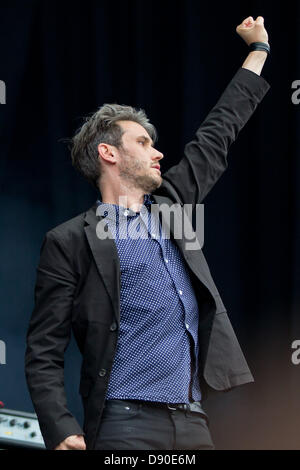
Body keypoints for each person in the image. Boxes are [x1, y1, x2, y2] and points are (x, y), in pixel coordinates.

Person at [25, 16, 270, 450]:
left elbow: (218, 133)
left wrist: (258, 51)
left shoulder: (173, 207)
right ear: (108, 153)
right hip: (124, 421)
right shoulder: (71, 241)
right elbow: (44, 348)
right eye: (143, 142)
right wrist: (61, 426)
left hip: (194, 419)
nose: (157, 152)